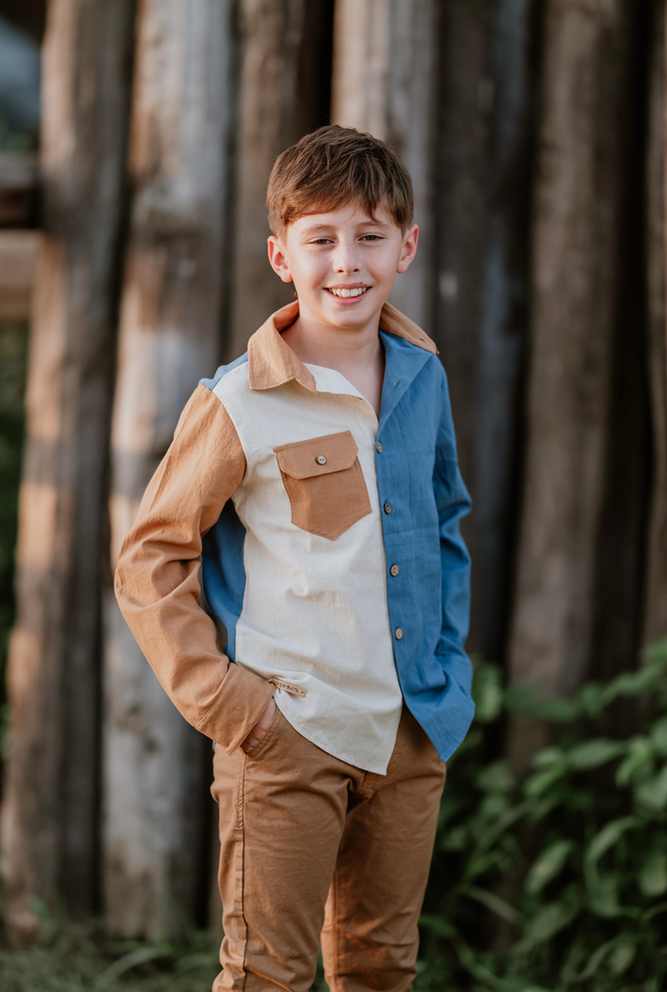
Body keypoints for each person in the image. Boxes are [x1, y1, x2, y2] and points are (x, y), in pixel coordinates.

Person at [114, 124, 474, 992]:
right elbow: (150, 557)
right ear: (282, 256)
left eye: (369, 236)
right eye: (320, 239)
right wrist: (230, 704)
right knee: (267, 975)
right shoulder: (238, 400)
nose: (346, 262)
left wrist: (446, 664)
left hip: (409, 729)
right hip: (288, 732)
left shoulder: (422, 377)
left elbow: (445, 524)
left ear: (405, 248)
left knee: (381, 967)